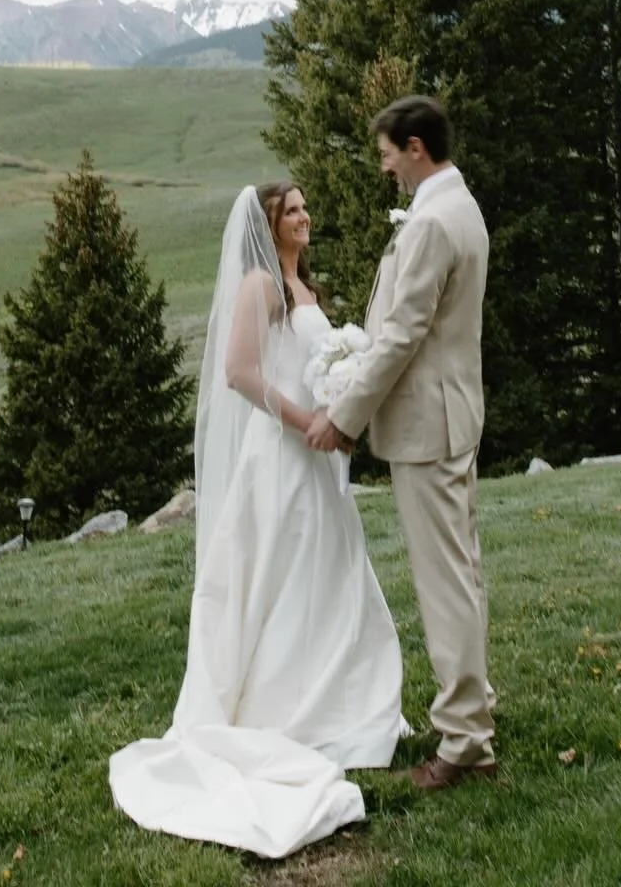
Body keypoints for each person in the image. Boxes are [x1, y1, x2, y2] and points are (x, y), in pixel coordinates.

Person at [109, 180, 402, 858]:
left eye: (306, 205)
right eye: (292, 209)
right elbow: (240, 374)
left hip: (319, 456)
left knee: (329, 576)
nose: (305, 215)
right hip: (282, 456)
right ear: (267, 225)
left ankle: (342, 703)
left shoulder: (306, 291)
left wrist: (344, 410)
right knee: (287, 577)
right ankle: (285, 709)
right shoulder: (260, 287)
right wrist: (308, 422)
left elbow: (314, 364)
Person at [307, 96, 496, 791]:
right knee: (461, 573)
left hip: (428, 424)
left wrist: (346, 414)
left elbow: (402, 334)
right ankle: (472, 712)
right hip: (450, 415)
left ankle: (466, 740)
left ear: (416, 147)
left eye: (387, 153)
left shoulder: (433, 223)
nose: (383, 166)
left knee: (444, 583)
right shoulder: (459, 206)